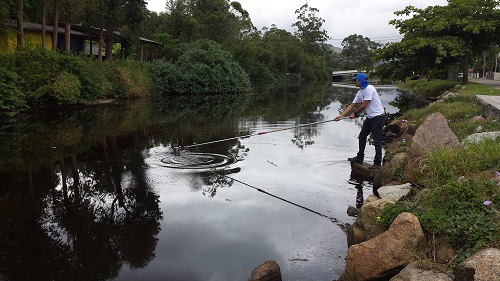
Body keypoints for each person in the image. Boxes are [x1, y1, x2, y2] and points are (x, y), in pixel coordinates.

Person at [334, 73, 385, 166]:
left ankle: (377, 163)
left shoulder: (370, 88)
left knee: (377, 140)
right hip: (370, 118)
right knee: (362, 136)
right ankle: (360, 157)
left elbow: (365, 104)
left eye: (355, 80)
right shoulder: (360, 92)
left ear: (360, 80)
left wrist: (355, 113)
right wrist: (341, 115)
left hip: (378, 117)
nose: (354, 82)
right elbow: (351, 105)